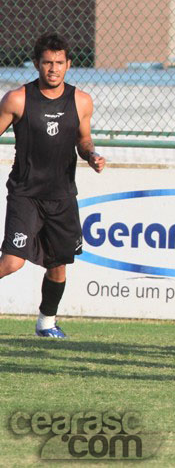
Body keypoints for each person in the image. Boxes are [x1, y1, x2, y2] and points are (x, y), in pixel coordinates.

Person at [0, 33, 106, 338]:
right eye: (47, 62)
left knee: (59, 264)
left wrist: (92, 155)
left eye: (59, 62)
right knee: (11, 262)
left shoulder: (81, 100)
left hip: (61, 196)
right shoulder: (17, 99)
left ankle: (46, 323)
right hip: (25, 194)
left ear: (69, 64)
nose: (53, 69)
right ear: (36, 64)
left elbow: (83, 140)